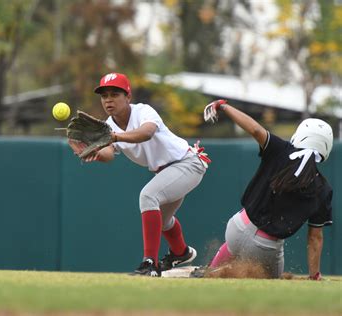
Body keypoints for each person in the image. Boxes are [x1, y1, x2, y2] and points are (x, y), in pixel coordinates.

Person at [68, 72, 210, 277]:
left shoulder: (143, 111)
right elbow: (109, 153)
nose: (108, 99)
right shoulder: (108, 126)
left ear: (128, 97)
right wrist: (94, 151)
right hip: (169, 170)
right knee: (161, 221)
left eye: (115, 94)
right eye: (104, 95)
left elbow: (146, 133)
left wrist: (113, 137)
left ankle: (149, 263)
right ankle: (181, 252)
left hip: (188, 163)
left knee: (148, 196)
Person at [203, 99, 333, 279]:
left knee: (232, 247)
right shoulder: (323, 188)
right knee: (274, 282)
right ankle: (221, 273)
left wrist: (223, 106)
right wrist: (314, 274)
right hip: (266, 247)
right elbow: (315, 238)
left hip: (238, 227)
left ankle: (213, 269)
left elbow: (256, 129)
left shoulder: (281, 149)